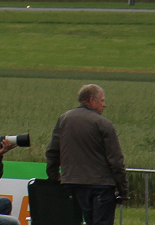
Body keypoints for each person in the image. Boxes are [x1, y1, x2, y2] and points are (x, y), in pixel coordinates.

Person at [44, 83, 129, 225]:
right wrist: (123, 190)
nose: (105, 105)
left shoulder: (64, 119)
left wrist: (55, 176)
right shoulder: (103, 123)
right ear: (91, 100)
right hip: (101, 186)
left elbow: (52, 151)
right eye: (102, 100)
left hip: (72, 184)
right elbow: (116, 160)